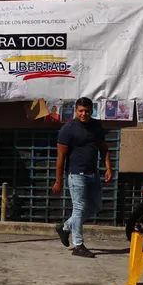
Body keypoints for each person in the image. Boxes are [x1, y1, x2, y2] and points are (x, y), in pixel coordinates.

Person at [52, 97, 113, 258]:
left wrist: (108, 168)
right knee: (79, 208)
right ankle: (78, 245)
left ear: (91, 111)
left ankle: (65, 227)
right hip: (76, 174)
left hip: (93, 173)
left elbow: (104, 149)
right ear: (76, 111)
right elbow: (60, 158)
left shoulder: (96, 126)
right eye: (80, 111)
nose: (84, 114)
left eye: (87, 111)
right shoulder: (68, 129)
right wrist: (58, 180)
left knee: (95, 207)